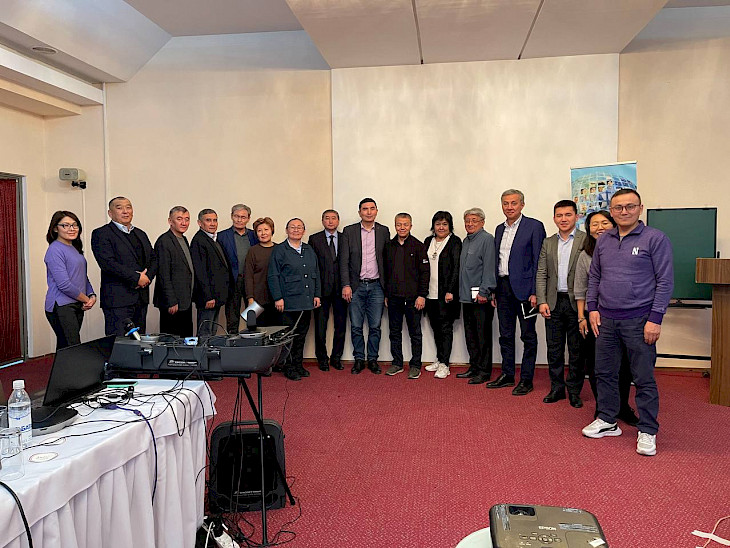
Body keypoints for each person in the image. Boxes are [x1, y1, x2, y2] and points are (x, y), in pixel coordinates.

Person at [582, 189, 673, 457]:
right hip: (606, 320)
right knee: (604, 373)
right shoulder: (604, 240)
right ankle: (607, 419)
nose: (624, 211)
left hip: (639, 320)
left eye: (630, 206)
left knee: (642, 377)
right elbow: (595, 277)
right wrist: (592, 308)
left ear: (640, 208)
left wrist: (655, 319)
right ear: (611, 211)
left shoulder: (655, 238)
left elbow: (665, 281)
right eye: (618, 207)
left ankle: (648, 429)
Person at [574, 210, 638, 425]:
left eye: (604, 223)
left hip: (623, 315)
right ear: (588, 229)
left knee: (624, 365)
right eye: (594, 224)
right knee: (596, 366)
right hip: (594, 318)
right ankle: (603, 408)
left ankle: (622, 406)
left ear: (613, 225)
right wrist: (581, 318)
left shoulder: (623, 250)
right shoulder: (585, 255)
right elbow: (580, 289)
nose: (599, 228)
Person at [488, 189, 546, 395]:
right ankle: (507, 374)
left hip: (526, 291)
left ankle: (526, 380)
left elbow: (539, 261)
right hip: (503, 289)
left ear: (522, 204)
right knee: (505, 335)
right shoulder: (499, 229)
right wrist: (494, 290)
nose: (509, 207)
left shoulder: (534, 226)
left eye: (513, 203)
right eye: (505, 203)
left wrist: (536, 292)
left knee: (528, 336)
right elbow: (498, 261)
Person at [536, 200, 587, 408]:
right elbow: (542, 273)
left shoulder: (586, 240)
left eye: (568, 215)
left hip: (578, 303)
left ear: (576, 216)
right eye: (559, 215)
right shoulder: (548, 242)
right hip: (554, 302)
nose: (563, 219)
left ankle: (574, 390)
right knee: (554, 349)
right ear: (554, 218)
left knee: (577, 350)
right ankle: (556, 388)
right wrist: (542, 301)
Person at [91, 196, 156, 336]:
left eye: (128, 207)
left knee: (139, 342)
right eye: (119, 208)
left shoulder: (140, 233)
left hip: (141, 298)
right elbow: (107, 263)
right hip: (118, 300)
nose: (125, 211)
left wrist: (147, 278)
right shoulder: (101, 233)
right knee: (120, 343)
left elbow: (153, 259)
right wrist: (136, 278)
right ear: (110, 213)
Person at [340, 198, 390, 375]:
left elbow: (388, 261)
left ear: (376, 211)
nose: (369, 212)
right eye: (365, 209)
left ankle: (373, 360)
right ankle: (359, 359)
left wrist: (388, 290)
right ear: (359, 212)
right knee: (356, 326)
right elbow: (344, 261)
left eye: (372, 208)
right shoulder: (349, 231)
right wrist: (346, 285)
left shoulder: (384, 231)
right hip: (356, 286)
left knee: (375, 326)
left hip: (377, 286)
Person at [268, 218, 321, 381]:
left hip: (306, 301)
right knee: (288, 337)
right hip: (288, 302)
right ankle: (289, 367)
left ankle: (298, 364)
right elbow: (273, 275)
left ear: (304, 231)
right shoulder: (279, 250)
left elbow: (316, 273)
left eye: (299, 227)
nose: (296, 230)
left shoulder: (309, 249)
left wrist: (317, 294)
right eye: (292, 227)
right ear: (286, 230)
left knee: (301, 335)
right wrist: (278, 297)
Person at [383, 213, 429, 379]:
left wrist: (422, 295)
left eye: (405, 224)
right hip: (393, 298)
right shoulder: (388, 246)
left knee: (415, 333)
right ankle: (397, 363)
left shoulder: (418, 246)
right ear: (395, 225)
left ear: (411, 226)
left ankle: (415, 365)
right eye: (399, 224)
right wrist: (387, 294)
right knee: (394, 332)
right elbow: (386, 272)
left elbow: (425, 273)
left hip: (413, 299)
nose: (402, 228)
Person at [44, 211, 96, 349]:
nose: (71, 229)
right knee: (72, 347)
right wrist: (86, 299)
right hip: (61, 305)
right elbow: (64, 285)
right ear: (55, 228)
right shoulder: (54, 250)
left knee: (65, 347)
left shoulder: (74, 248)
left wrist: (92, 295)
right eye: (65, 225)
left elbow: (82, 276)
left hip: (77, 303)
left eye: (74, 225)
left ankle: (61, 365)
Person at [456, 208, 497, 385]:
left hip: (481, 298)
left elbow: (489, 267)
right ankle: (474, 366)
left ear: (482, 222)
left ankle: (484, 371)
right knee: (470, 335)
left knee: (483, 336)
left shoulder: (487, 239)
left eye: (474, 220)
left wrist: (484, 291)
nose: (470, 224)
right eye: (467, 221)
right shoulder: (466, 240)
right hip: (466, 297)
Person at [423, 211, 461, 379]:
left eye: (445, 224)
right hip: (429, 293)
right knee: (436, 327)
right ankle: (439, 359)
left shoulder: (454, 242)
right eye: (438, 224)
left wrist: (451, 290)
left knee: (445, 328)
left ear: (450, 226)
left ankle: (445, 364)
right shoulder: (428, 241)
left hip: (446, 294)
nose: (441, 227)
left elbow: (456, 268)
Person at [308, 210, 347, 371]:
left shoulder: (345, 238)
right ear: (322, 221)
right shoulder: (314, 239)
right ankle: (322, 358)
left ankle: (336, 358)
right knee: (320, 327)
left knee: (341, 326)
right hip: (321, 290)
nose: (330, 221)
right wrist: (314, 291)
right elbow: (312, 266)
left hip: (341, 289)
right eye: (327, 218)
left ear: (338, 220)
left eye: (333, 218)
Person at [153, 206, 194, 337]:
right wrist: (171, 301)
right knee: (172, 340)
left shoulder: (183, 239)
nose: (184, 223)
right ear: (170, 221)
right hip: (173, 302)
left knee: (185, 338)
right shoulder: (164, 241)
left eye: (187, 219)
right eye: (179, 219)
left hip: (185, 300)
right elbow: (163, 274)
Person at [218, 204, 259, 334]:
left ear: (248, 219)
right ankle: (233, 342)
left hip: (252, 282)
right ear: (231, 216)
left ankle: (253, 341)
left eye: (243, 217)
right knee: (232, 318)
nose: (239, 220)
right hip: (232, 282)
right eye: (236, 216)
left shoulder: (254, 235)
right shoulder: (222, 236)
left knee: (253, 317)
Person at [190, 209, 230, 337]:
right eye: (208, 220)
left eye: (215, 220)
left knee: (212, 331)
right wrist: (208, 296)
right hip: (208, 297)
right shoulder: (199, 240)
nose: (212, 223)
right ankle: (203, 350)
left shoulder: (213, 239)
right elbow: (200, 271)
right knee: (205, 331)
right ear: (200, 223)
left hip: (216, 295)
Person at [244, 217, 281, 327]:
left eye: (266, 230)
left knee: (276, 331)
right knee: (256, 331)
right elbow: (248, 276)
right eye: (259, 231)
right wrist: (250, 299)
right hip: (257, 300)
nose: (263, 233)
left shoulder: (279, 249)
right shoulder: (253, 251)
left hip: (277, 300)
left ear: (272, 230)